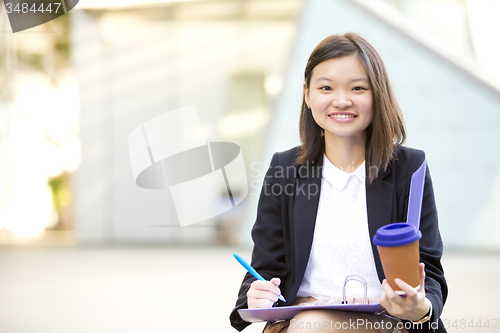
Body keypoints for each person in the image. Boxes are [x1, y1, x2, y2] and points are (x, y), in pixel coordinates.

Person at [230, 33, 447, 333]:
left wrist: (421, 308)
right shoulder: (285, 169)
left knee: (311, 326)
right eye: (326, 88)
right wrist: (257, 296)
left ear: (377, 93)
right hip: (304, 319)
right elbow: (266, 268)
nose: (342, 100)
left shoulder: (408, 168)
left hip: (389, 323)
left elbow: (429, 270)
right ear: (307, 94)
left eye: (358, 88)